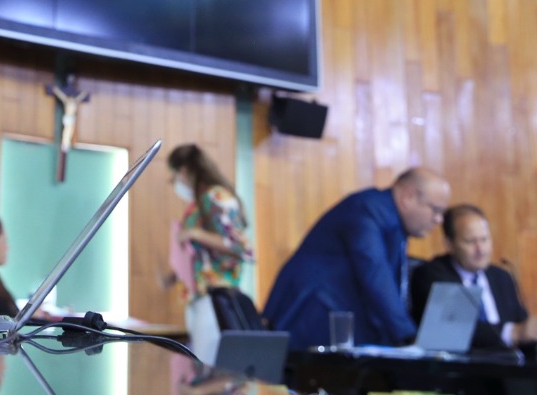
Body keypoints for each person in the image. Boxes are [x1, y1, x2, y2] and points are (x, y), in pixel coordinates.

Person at [262, 167, 450, 350]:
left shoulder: (388, 219)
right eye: (436, 210)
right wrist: (409, 337)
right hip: (311, 317)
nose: (438, 220)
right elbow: (375, 273)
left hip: (332, 320)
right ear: (408, 197)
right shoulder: (367, 210)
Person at [409, 204, 537, 349]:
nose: (481, 250)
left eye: (484, 239)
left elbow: (522, 326)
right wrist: (512, 332)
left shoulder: (501, 277)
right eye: (470, 241)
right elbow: (456, 330)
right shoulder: (434, 275)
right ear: (449, 244)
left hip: (508, 362)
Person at [165, 143, 256, 353]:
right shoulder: (196, 205)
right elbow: (199, 256)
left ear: (184, 171)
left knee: (209, 364)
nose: (174, 183)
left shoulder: (216, 196)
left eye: (173, 177)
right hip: (198, 297)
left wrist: (194, 233)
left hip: (216, 299)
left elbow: (240, 246)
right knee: (199, 361)